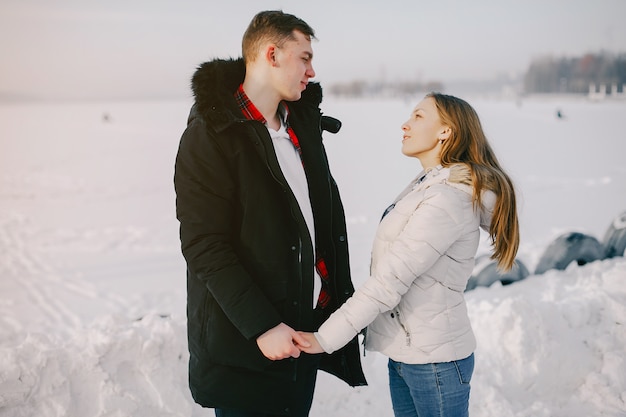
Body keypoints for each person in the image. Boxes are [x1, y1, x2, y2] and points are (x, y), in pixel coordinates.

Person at [173, 10, 366, 417]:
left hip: (301, 338)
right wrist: (262, 326)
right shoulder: (211, 135)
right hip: (247, 348)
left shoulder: (300, 128)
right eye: (305, 58)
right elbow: (204, 246)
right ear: (272, 54)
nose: (312, 72)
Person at [298, 92, 520, 417]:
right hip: (409, 356)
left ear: (446, 131)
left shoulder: (447, 200)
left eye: (418, 116)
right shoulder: (428, 184)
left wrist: (325, 339)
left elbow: (388, 281)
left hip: (435, 364)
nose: (405, 124)